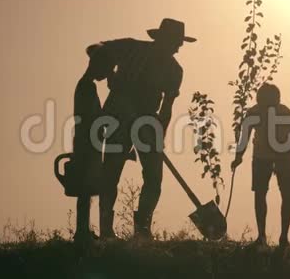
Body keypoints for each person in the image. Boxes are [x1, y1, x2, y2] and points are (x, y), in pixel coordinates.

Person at [86, 18, 196, 239]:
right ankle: (106, 230)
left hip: (148, 120)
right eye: (176, 41)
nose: (179, 47)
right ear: (163, 39)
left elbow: (167, 108)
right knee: (111, 173)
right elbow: (95, 49)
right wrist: (111, 76)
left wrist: (159, 134)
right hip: (118, 118)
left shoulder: (175, 70)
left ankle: (142, 230)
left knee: (154, 178)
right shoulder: (131, 48)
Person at [231, 83, 290, 247]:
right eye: (263, 101)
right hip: (262, 158)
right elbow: (245, 137)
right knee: (261, 194)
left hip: (282, 158)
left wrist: (284, 152)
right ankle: (262, 236)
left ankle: (283, 237)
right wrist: (238, 157)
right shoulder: (254, 112)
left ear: (277, 100)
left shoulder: (285, 112)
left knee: (285, 194)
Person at [71, 50, 115, 244]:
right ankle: (82, 232)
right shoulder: (86, 87)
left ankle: (83, 230)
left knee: (86, 189)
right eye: (106, 69)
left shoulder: (86, 86)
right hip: (87, 143)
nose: (106, 74)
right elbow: (93, 118)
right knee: (85, 188)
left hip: (87, 141)